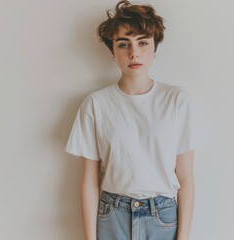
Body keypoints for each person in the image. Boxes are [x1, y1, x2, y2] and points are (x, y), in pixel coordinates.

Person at [65, 1, 197, 239]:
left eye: (143, 43)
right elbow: (89, 181)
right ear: (112, 52)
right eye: (123, 44)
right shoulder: (96, 104)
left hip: (163, 217)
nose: (134, 53)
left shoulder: (177, 100)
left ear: (155, 48)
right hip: (112, 215)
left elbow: (186, 178)